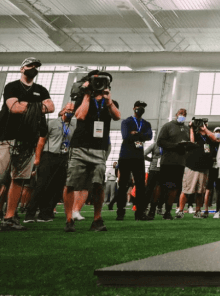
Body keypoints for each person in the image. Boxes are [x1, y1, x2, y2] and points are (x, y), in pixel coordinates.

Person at [0, 58, 53, 234]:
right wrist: (38, 106)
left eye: (36, 67)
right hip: (7, 137)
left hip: (29, 140)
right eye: (30, 66)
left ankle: (9, 217)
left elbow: (51, 107)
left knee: (18, 179)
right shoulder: (12, 86)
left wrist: (27, 105)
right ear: (22, 68)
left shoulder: (41, 89)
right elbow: (13, 108)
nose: (33, 69)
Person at [62, 70, 119, 233]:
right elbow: (80, 116)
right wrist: (87, 95)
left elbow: (117, 116)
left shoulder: (111, 102)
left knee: (98, 184)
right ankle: (69, 219)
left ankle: (97, 218)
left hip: (99, 149)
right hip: (79, 146)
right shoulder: (80, 98)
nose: (99, 85)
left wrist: (108, 101)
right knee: (71, 183)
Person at [23, 108, 74, 223]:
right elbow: (41, 141)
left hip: (63, 158)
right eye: (68, 109)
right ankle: (30, 214)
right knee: (41, 186)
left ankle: (45, 213)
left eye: (72, 110)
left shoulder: (73, 126)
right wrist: (37, 158)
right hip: (49, 156)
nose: (70, 111)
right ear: (62, 111)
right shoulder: (51, 123)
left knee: (57, 187)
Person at [116, 100, 152, 221]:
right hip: (125, 156)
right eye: (138, 107)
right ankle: (120, 213)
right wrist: (140, 135)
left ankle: (140, 213)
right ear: (134, 108)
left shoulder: (146, 123)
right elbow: (126, 136)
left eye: (142, 107)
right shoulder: (126, 122)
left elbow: (149, 136)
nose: (140, 109)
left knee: (141, 185)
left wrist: (135, 134)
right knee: (123, 185)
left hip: (138, 157)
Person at [154, 109, 189, 220]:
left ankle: (168, 212)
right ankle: (152, 210)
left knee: (174, 188)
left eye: (184, 115)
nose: (182, 116)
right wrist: (175, 146)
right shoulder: (167, 126)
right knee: (161, 186)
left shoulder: (187, 129)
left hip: (180, 163)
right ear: (176, 115)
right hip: (167, 161)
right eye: (180, 114)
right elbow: (160, 142)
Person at [181, 121, 219, 218]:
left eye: (204, 123)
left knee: (200, 192)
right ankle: (180, 210)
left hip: (204, 167)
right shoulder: (194, 134)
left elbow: (216, 138)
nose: (202, 125)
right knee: (186, 190)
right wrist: (191, 128)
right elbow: (192, 141)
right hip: (192, 166)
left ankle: (197, 211)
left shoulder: (209, 137)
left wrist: (205, 129)